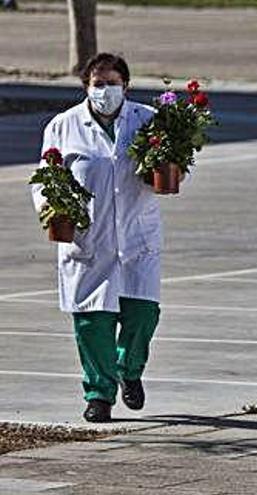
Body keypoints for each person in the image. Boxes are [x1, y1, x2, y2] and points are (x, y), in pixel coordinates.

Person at [30, 53, 161, 423]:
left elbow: (177, 165)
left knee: (142, 314)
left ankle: (128, 369)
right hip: (89, 237)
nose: (106, 90)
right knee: (92, 321)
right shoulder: (64, 125)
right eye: (98, 83)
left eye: (112, 83)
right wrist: (54, 211)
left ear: (127, 86)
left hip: (137, 237)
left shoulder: (148, 121)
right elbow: (46, 176)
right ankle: (99, 394)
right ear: (86, 87)